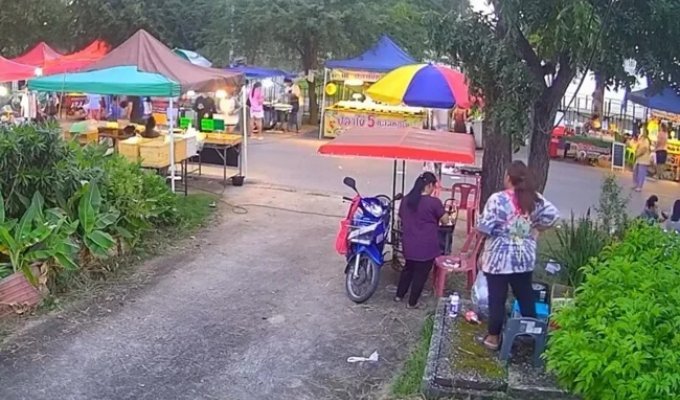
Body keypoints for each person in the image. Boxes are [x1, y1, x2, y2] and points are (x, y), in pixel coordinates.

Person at [477, 161, 559, 350]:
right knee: (525, 295)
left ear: (508, 178)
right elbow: (553, 215)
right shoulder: (535, 199)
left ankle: (493, 337)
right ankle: (532, 333)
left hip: (499, 258)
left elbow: (484, 227)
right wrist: (537, 229)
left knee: (497, 297)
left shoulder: (497, 199)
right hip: (524, 258)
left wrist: (482, 248)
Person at [395, 172, 454, 308]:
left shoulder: (406, 200)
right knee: (420, 275)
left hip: (409, 243)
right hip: (426, 246)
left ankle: (399, 295)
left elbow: (401, 218)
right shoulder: (434, 203)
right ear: (429, 185)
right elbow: (446, 221)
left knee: (408, 269)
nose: (434, 189)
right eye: (434, 186)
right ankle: (412, 302)